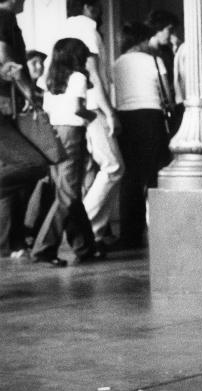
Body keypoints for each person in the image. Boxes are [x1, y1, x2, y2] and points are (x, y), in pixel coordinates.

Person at [58, 0, 124, 250]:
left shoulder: (63, 28)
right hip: (92, 105)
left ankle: (90, 230)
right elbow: (94, 72)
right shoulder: (88, 28)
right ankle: (87, 228)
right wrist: (110, 113)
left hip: (65, 113)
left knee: (82, 174)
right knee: (114, 166)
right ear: (88, 6)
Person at [30, 37, 99, 266]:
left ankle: (85, 246)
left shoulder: (48, 79)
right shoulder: (78, 77)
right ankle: (44, 248)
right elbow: (78, 109)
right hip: (71, 133)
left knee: (68, 192)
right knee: (68, 195)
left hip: (52, 134)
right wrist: (95, 116)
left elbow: (45, 108)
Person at [112, 22, 170, 250]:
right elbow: (166, 89)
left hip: (126, 117)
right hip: (152, 115)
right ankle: (161, 228)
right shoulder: (153, 60)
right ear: (143, 40)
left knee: (131, 178)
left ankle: (130, 235)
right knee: (156, 174)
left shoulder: (117, 63)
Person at [0, 0, 38, 258]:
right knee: (33, 163)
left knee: (13, 169)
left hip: (5, 105)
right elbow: (5, 60)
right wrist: (30, 92)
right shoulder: (4, 16)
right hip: (4, 106)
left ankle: (10, 242)